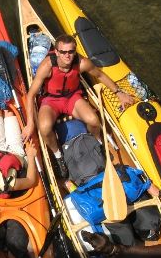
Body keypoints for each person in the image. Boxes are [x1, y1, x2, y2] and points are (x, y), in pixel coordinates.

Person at [22, 34, 134, 177]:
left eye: (71, 52)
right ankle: (58, 156)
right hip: (51, 100)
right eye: (63, 52)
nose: (67, 56)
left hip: (72, 97)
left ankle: (97, 146)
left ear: (75, 51)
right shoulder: (46, 66)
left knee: (94, 121)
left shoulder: (82, 63)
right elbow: (31, 95)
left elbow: (99, 75)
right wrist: (30, 123)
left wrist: (119, 93)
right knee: (44, 128)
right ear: (56, 52)